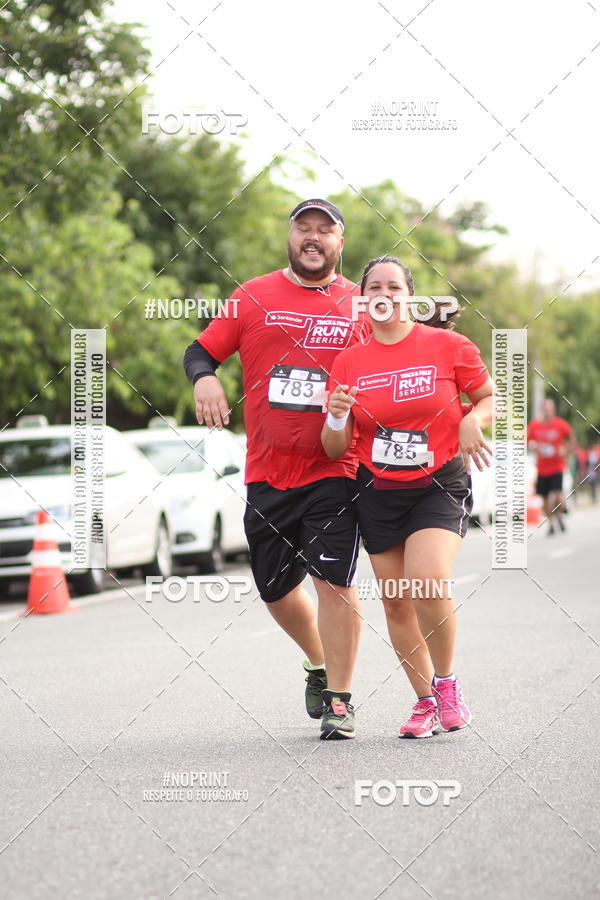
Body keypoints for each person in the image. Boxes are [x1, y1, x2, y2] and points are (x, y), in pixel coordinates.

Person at [183, 199, 368, 740]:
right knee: (273, 588)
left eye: (325, 231)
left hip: (336, 464)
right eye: (303, 229)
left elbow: (399, 358)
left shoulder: (362, 305)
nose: (313, 238)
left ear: (340, 243)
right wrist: (204, 378)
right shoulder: (253, 295)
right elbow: (201, 349)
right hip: (267, 470)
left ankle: (340, 699)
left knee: (333, 581)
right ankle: (317, 662)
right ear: (291, 237)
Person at [321, 255, 493, 738]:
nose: (383, 294)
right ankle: (425, 703)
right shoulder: (349, 362)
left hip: (438, 482)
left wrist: (470, 420)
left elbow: (488, 397)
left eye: (394, 287)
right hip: (377, 490)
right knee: (396, 601)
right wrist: (335, 416)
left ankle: (447, 684)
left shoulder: (449, 346)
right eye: (373, 287)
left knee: (427, 580)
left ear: (409, 296)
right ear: (362, 300)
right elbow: (335, 446)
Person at [527, 399, 575, 535]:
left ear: (553, 410)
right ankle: (552, 524)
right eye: (545, 409)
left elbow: (571, 439)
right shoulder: (535, 426)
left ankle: (559, 514)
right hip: (542, 468)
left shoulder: (561, 424)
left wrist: (565, 451)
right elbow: (528, 442)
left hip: (557, 466)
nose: (547, 412)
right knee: (545, 500)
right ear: (542, 410)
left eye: (549, 409)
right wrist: (534, 446)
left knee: (557, 495)